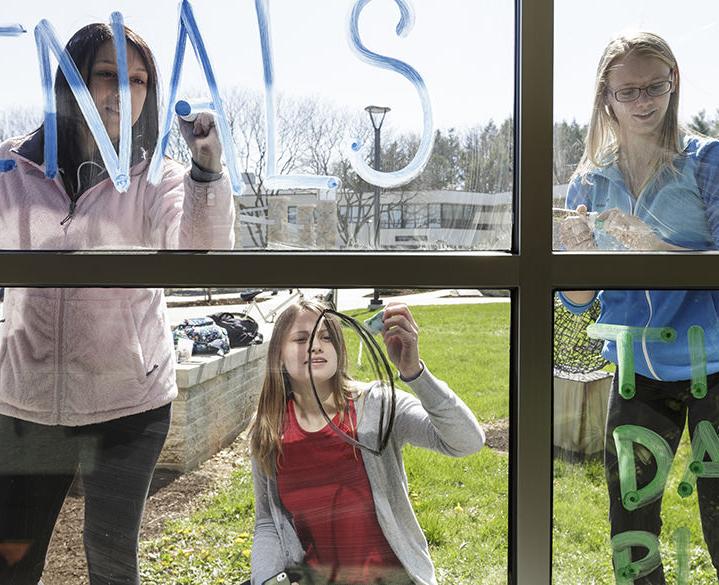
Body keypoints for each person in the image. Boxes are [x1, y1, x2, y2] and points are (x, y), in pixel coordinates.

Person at [0, 22, 235, 585]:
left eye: (138, 80)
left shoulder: (157, 180)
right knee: (11, 560)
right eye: (107, 75)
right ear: (72, 81)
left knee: (111, 561)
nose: (122, 93)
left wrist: (206, 170)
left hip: (129, 405)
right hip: (25, 404)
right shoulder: (13, 170)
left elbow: (199, 250)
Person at [558, 32, 719, 584]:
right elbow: (579, 302)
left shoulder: (708, 161)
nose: (644, 101)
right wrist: (576, 256)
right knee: (631, 532)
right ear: (606, 95)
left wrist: (657, 247)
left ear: (674, 80)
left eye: (655, 86)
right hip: (638, 375)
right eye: (628, 91)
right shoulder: (590, 179)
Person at [248, 300, 484, 585]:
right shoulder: (269, 430)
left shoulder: (377, 404)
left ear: (338, 349)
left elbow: (466, 441)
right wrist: (267, 580)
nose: (315, 346)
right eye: (301, 338)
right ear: (278, 356)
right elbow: (268, 522)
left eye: (326, 336)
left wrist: (415, 374)